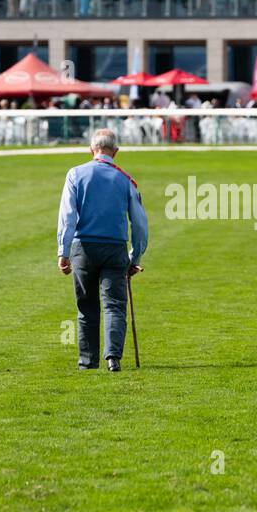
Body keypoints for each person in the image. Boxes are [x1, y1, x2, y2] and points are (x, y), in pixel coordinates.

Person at [56, 129, 149, 372]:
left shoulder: (75, 174)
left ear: (91, 150)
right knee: (115, 305)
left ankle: (87, 361)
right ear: (115, 152)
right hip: (114, 249)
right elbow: (139, 223)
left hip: (83, 248)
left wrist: (62, 252)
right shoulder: (125, 179)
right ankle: (113, 357)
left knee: (86, 306)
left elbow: (67, 217)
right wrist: (135, 256)